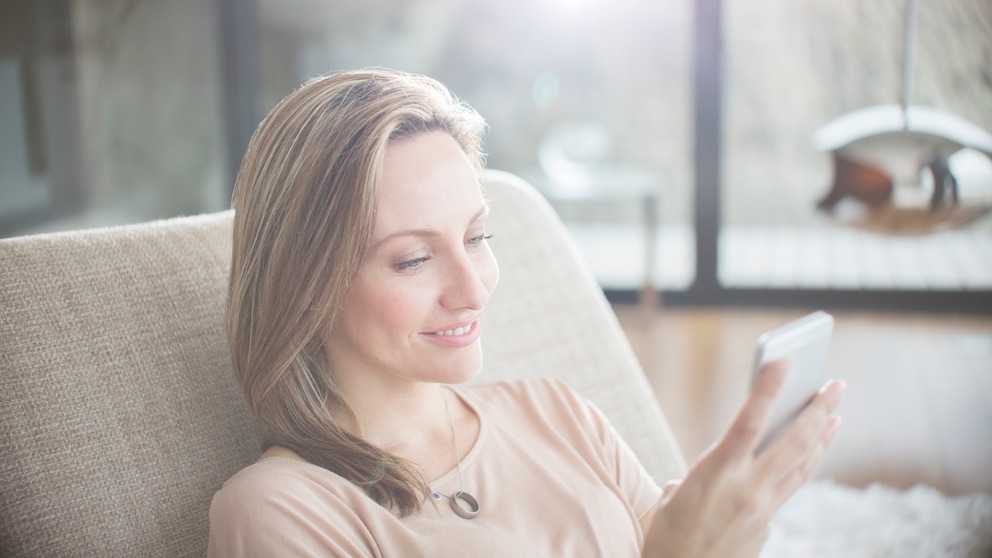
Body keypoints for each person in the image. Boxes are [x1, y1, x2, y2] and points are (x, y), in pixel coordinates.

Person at [208, 67, 845, 557]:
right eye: (411, 260)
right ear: (306, 284)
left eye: (477, 238)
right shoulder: (282, 512)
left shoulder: (558, 413)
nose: (474, 288)